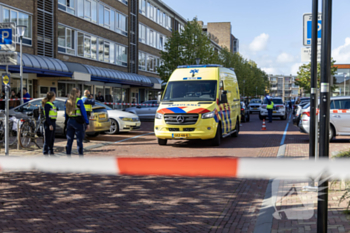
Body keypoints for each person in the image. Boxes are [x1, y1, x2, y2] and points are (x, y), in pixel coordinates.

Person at [65, 88, 89, 157]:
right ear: (76, 93)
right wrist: (87, 122)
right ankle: (80, 156)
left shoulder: (67, 101)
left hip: (70, 122)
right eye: (79, 93)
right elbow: (84, 112)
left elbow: (66, 112)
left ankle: (68, 155)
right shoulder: (79, 101)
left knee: (69, 140)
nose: (79, 94)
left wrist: (66, 122)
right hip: (78, 122)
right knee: (79, 141)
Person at [42, 92, 57, 156]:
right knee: (48, 139)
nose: (55, 97)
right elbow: (47, 116)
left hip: (53, 122)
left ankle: (51, 151)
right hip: (49, 123)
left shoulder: (52, 104)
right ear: (52, 97)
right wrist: (50, 124)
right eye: (54, 96)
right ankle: (45, 152)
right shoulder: (47, 105)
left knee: (52, 138)